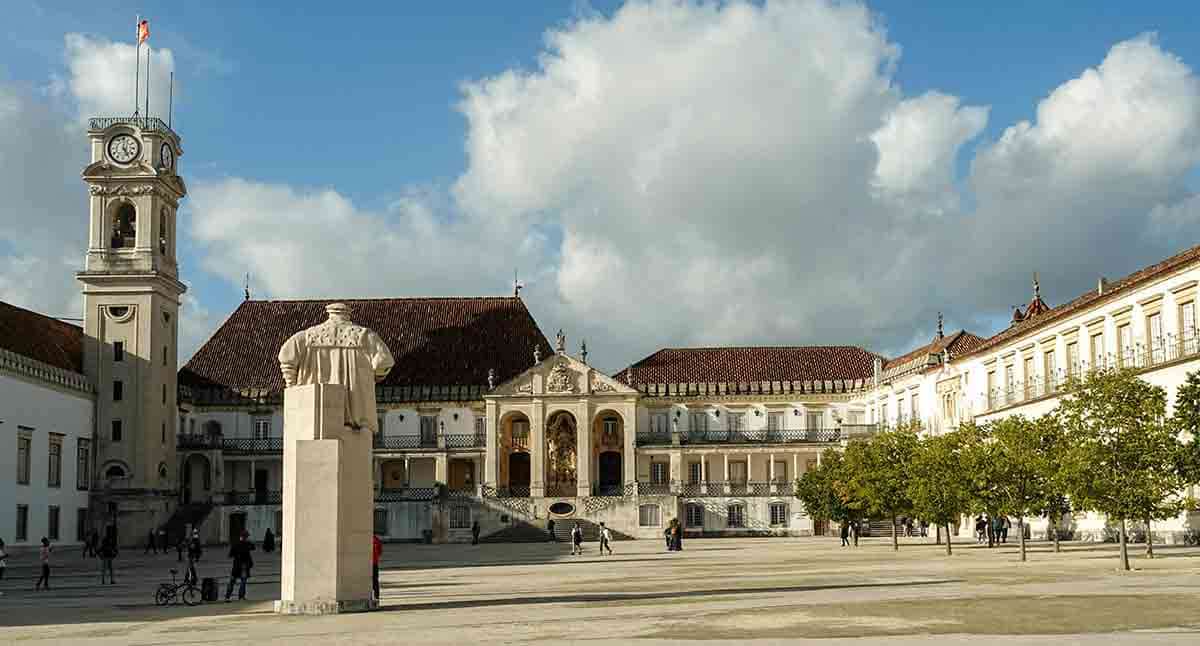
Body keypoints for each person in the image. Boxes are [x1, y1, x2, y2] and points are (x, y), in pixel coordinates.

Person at [224, 530, 255, 602]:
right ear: (246, 537)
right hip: (244, 566)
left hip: (236, 566)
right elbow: (253, 547)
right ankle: (241, 597)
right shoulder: (248, 543)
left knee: (232, 581)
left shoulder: (235, 544)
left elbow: (230, 555)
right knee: (243, 582)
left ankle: (227, 597)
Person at [371, 534, 382, 602]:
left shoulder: (376, 539)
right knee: (375, 580)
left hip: (373, 562)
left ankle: (376, 596)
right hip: (374, 562)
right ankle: (376, 596)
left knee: (375, 580)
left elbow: (379, 551)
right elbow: (380, 551)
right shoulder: (376, 539)